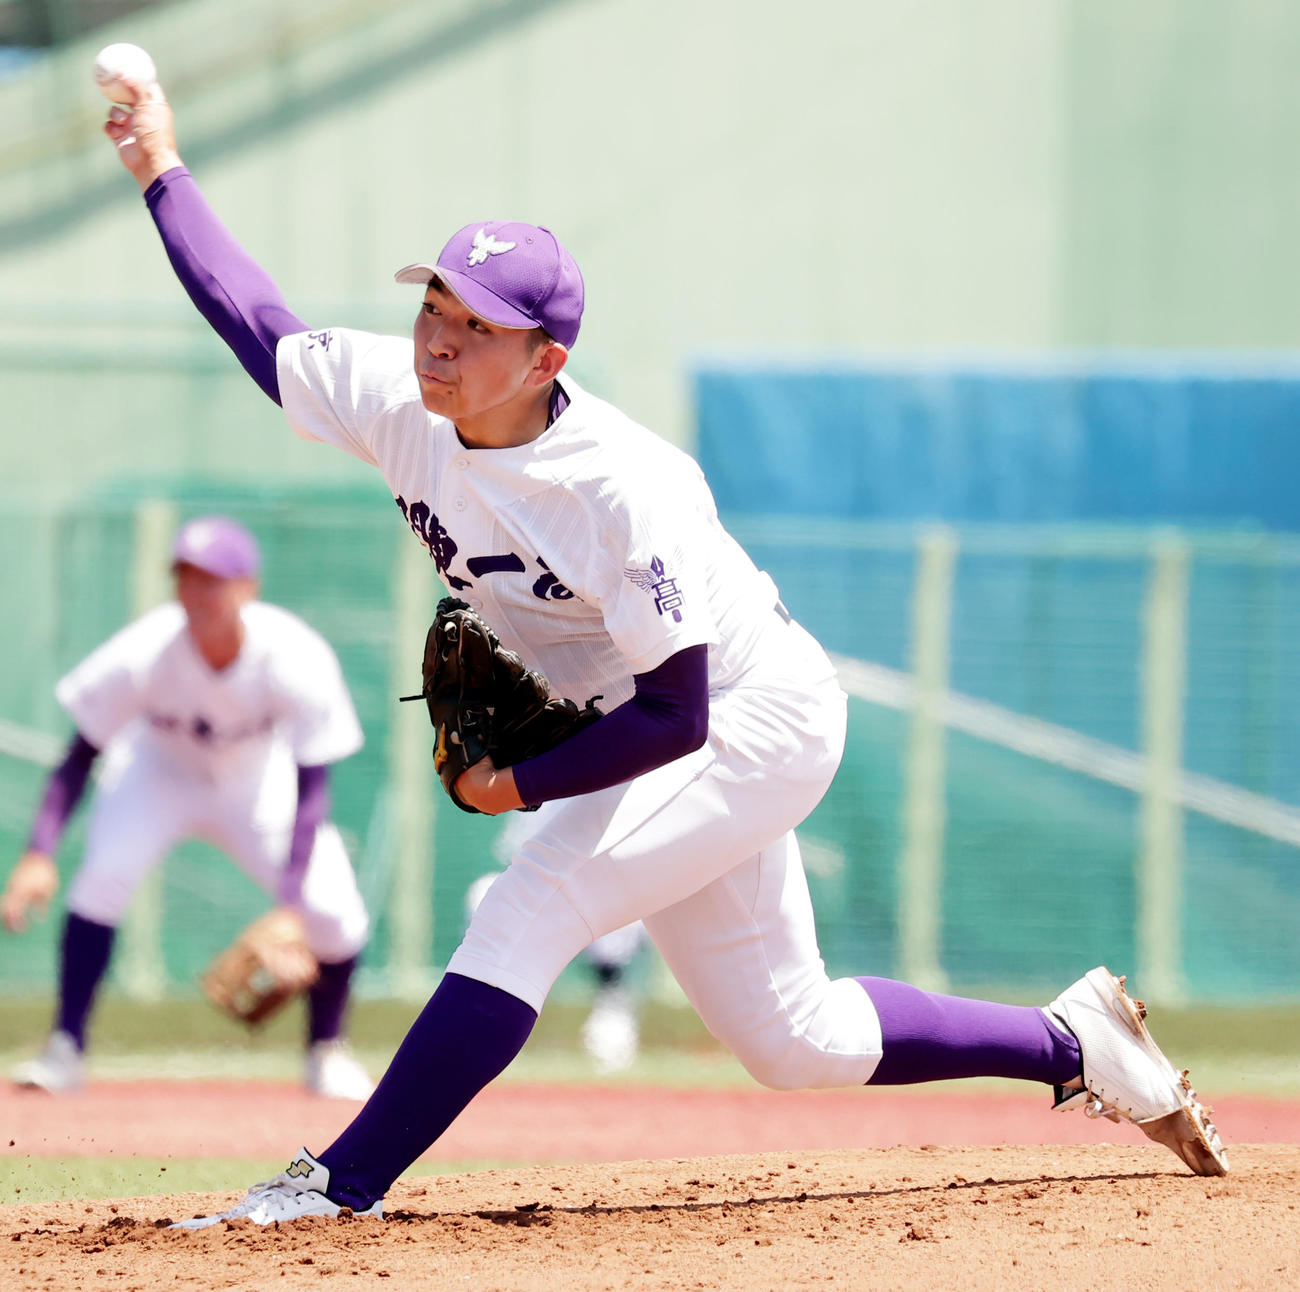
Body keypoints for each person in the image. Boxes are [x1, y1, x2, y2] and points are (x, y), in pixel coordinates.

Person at [96, 75, 1227, 1226]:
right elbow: (259, 322)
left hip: (748, 714)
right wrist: (160, 170)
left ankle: (340, 1182)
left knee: (529, 901)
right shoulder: (399, 398)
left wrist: (515, 781)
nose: (437, 338)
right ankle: (1070, 1040)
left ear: (543, 360)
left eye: (474, 324)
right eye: (434, 303)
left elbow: (676, 715)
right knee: (794, 1036)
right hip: (652, 723)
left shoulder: (619, 490)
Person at [1, 515, 375, 1102]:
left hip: (257, 784)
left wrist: (290, 906)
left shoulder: (293, 655)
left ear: (247, 586)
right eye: (186, 578)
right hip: (157, 774)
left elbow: (313, 787)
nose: (197, 593)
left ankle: (326, 1052)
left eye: (213, 580)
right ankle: (65, 1048)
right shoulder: (143, 652)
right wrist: (38, 853)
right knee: (101, 879)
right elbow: (79, 756)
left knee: (335, 911)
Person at [467, 813, 650, 1075]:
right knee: (482, 894)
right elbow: (513, 853)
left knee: (627, 915)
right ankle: (493, 1013)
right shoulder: (532, 780)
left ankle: (611, 1007)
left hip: (599, 890)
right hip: (536, 890)